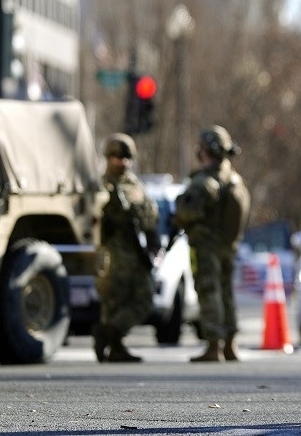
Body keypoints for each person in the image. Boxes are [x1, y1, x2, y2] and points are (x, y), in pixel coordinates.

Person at [174, 125, 250, 362]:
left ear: (205, 150)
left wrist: (179, 212)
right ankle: (230, 344)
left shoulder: (204, 181)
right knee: (226, 292)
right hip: (229, 246)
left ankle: (213, 346)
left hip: (207, 247)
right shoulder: (234, 179)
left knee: (209, 292)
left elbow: (187, 211)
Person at [93, 133, 160, 363]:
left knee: (145, 299)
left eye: (126, 157)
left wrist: (153, 240)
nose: (122, 162)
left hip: (136, 253)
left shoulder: (135, 185)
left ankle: (109, 333)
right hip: (112, 254)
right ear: (108, 157)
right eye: (116, 157)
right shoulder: (101, 186)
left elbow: (149, 215)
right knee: (113, 302)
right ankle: (115, 346)